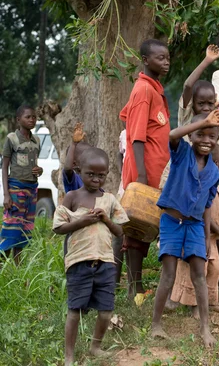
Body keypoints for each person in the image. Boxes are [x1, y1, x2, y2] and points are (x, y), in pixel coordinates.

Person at [150, 110, 219, 346]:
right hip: (172, 223)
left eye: (211, 136)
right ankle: (156, 325)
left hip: (195, 226)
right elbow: (173, 134)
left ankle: (205, 327)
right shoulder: (182, 154)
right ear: (191, 137)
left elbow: (206, 206)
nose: (206, 140)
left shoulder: (213, 171)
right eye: (200, 135)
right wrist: (203, 122)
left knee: (199, 275)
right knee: (169, 274)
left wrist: (205, 236)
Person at [52, 148, 129, 366]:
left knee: (105, 311)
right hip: (79, 262)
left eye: (101, 175)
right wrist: (83, 221)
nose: (96, 179)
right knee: (74, 311)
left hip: (105, 262)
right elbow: (58, 227)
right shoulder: (72, 196)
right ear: (79, 171)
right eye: (90, 174)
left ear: (107, 174)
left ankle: (96, 346)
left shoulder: (110, 199)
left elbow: (119, 231)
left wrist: (105, 219)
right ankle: (69, 355)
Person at [119, 38, 171, 297]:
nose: (166, 61)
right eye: (160, 58)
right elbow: (137, 136)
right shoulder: (143, 90)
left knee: (147, 225)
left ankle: (136, 285)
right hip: (144, 172)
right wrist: (140, 176)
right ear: (145, 60)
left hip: (156, 171)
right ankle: (133, 288)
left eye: (167, 57)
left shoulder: (156, 88)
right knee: (138, 227)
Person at [1, 104, 42, 263]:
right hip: (16, 188)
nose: (32, 119)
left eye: (34, 117)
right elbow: (4, 166)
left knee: (24, 228)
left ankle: (17, 270)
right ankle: (2, 267)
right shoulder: (11, 139)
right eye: (28, 117)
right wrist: (6, 194)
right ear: (19, 120)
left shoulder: (36, 140)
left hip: (32, 189)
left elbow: (34, 165)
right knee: (11, 227)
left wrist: (39, 171)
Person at [179, 44, 219, 127]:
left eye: (210, 104)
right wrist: (207, 60)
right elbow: (188, 86)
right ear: (192, 102)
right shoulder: (187, 116)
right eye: (201, 104)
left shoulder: (214, 121)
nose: (206, 108)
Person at [63, 122, 92, 193]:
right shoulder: (74, 179)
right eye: (86, 156)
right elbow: (68, 168)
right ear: (74, 164)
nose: (91, 159)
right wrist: (73, 143)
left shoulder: (93, 178)